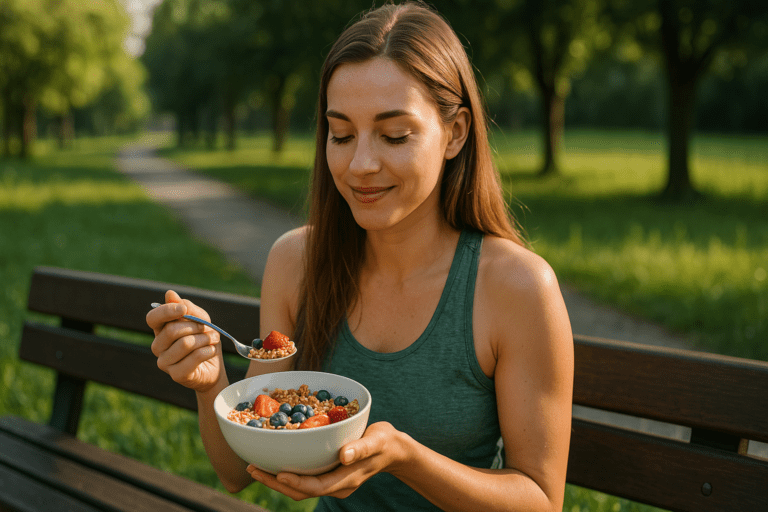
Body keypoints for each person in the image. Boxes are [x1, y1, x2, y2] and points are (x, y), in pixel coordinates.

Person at [146, 2, 573, 511]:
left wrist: (405, 458)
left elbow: (541, 501)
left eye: (394, 135)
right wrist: (210, 383)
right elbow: (239, 473)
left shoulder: (517, 288)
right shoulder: (295, 263)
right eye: (341, 135)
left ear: (455, 133)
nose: (360, 164)